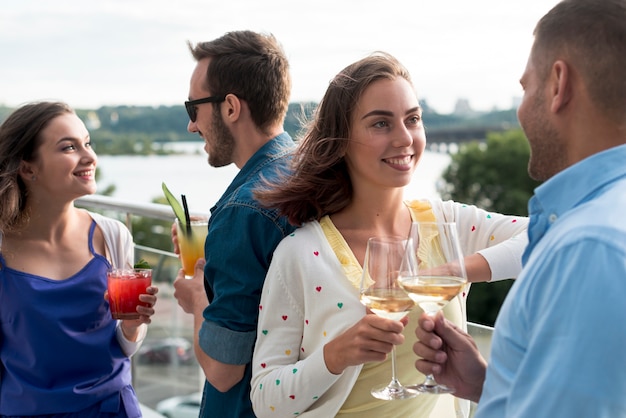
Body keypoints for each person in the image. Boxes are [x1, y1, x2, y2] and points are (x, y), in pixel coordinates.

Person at [249, 52, 528, 418]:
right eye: (381, 124)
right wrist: (334, 356)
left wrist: (450, 273)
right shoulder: (300, 254)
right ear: (342, 140)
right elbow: (265, 401)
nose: (404, 138)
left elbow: (551, 234)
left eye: (413, 119)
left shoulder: (447, 223)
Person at [412, 0, 626, 416]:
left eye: (526, 87)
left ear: (559, 84)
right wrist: (493, 385)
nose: (521, 108)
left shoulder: (588, 248)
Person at [0, 101, 158, 417]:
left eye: (87, 143)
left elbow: (125, 345)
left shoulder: (113, 236)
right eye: (69, 147)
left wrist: (132, 326)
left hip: (112, 408)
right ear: (28, 167)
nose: (89, 157)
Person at [170, 30, 296, 417]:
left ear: (229, 107)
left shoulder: (242, 213)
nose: (192, 125)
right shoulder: (304, 173)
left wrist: (195, 298)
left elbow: (223, 372)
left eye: (194, 109)